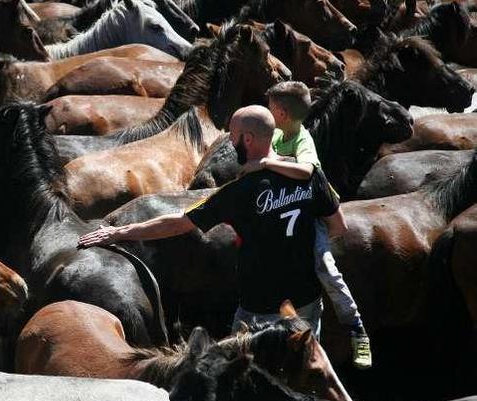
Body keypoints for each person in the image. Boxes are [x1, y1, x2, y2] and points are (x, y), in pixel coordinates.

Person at [78, 105, 348, 359]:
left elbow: (178, 223)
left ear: (249, 139)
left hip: (258, 309)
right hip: (307, 301)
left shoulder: (237, 192)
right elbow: (339, 227)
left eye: (233, 137)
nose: (231, 143)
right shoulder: (311, 176)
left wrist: (119, 232)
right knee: (304, 366)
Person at [241, 81, 371, 369]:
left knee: (326, 268)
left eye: (271, 109)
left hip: (314, 211)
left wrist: (267, 164)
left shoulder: (302, 138)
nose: (268, 113)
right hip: (285, 207)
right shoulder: (274, 134)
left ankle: (356, 327)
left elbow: (307, 171)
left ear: (283, 113)